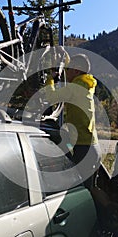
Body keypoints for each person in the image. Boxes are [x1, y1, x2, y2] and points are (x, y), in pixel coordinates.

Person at [45, 52, 101, 189]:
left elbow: (51, 97)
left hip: (83, 148)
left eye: (67, 69)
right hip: (93, 147)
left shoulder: (75, 88)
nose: (64, 73)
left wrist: (49, 79)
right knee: (90, 189)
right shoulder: (84, 86)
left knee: (79, 190)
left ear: (76, 70)